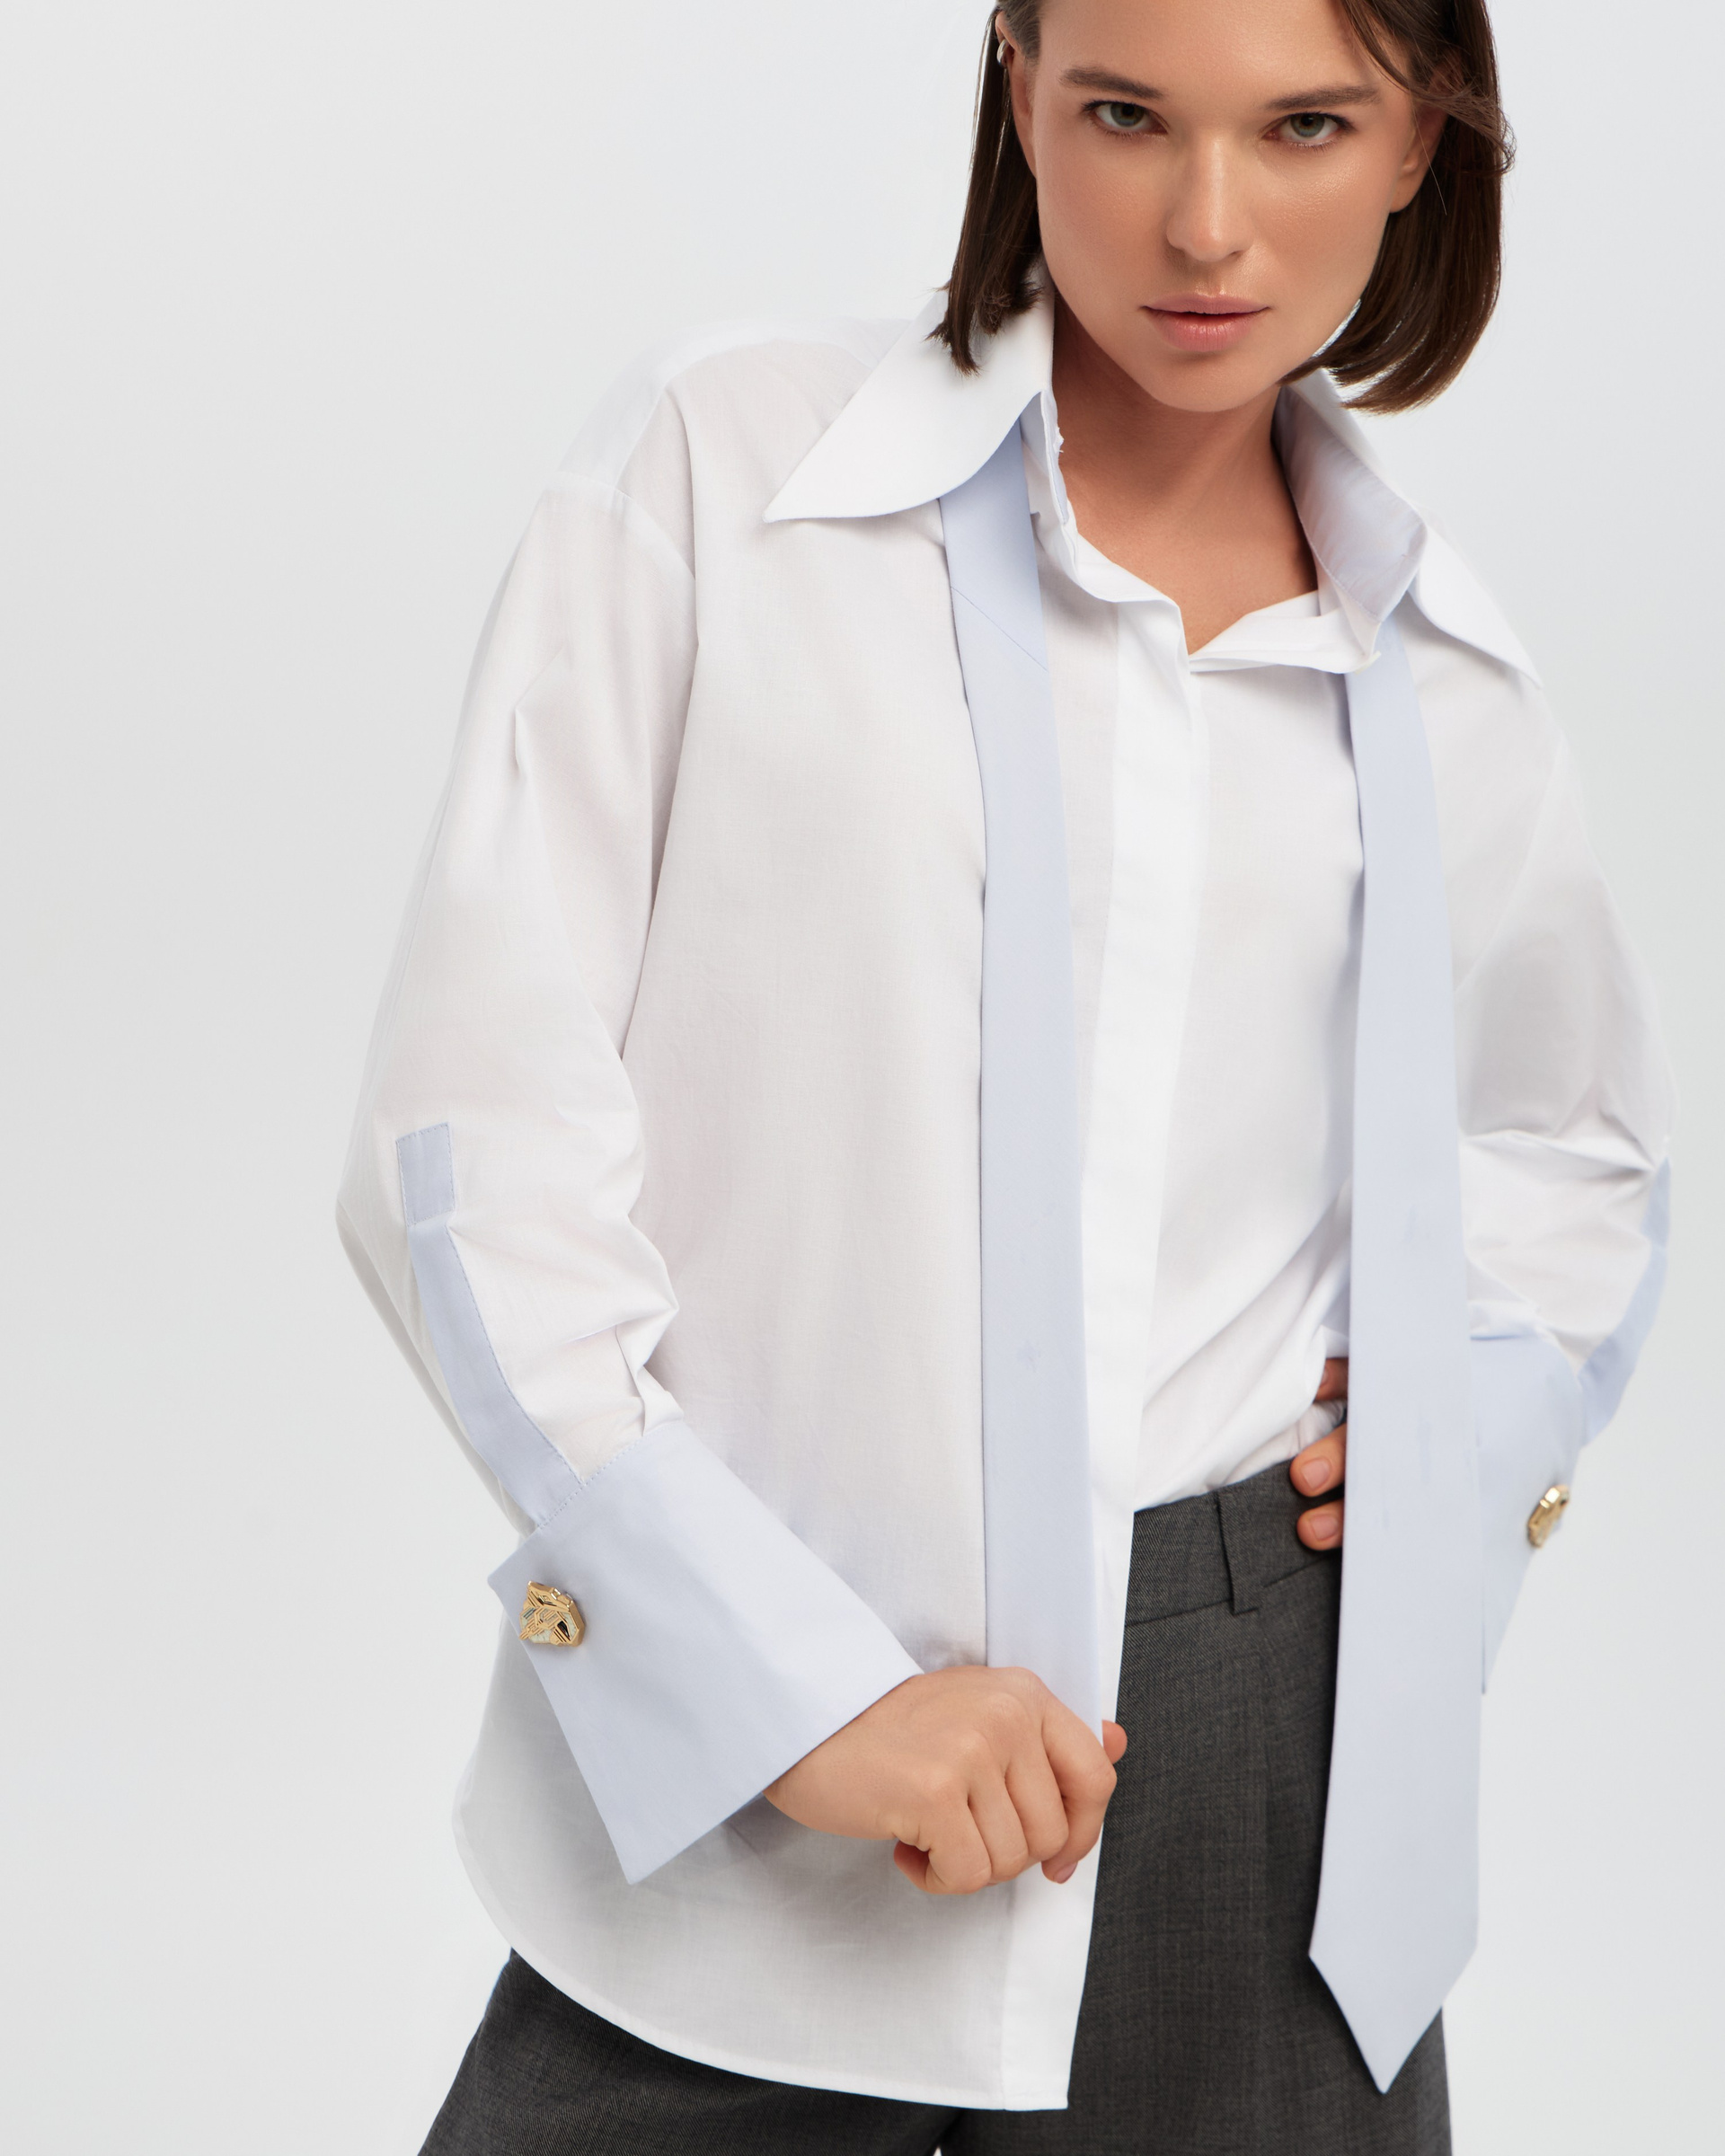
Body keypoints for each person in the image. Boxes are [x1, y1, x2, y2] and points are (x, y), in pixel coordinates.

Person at [337, 0, 1673, 2149]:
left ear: (1421, 144)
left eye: (1307, 127)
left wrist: (1467, 1428)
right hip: (764, 1738)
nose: (1206, 226)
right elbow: (468, 1136)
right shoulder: (726, 475)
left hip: (1266, 1769)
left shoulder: (1445, 680)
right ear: (1020, 83)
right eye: (1128, 114)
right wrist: (782, 1688)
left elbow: (1574, 1145)